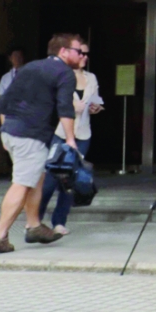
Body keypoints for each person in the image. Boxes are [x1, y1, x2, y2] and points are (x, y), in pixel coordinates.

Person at [0, 34, 83, 253]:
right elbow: (65, 108)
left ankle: (34, 225)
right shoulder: (65, 73)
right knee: (22, 183)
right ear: (63, 52)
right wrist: (70, 139)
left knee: (36, 180)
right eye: (78, 50)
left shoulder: (30, 68)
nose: (81, 55)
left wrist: (5, 130)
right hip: (31, 135)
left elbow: (3, 100)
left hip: (12, 132)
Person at [47, 40, 103, 237]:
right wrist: (72, 106)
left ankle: (59, 221)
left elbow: (96, 100)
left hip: (83, 133)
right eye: (81, 53)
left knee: (70, 179)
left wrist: (96, 107)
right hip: (61, 132)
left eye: (86, 54)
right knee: (50, 178)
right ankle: (34, 219)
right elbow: (54, 101)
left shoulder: (91, 77)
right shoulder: (61, 74)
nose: (84, 57)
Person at [0, 47, 25, 130]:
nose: (17, 59)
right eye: (15, 56)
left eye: (19, 56)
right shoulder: (5, 78)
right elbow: (0, 96)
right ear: (10, 58)